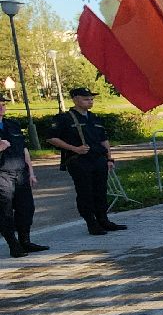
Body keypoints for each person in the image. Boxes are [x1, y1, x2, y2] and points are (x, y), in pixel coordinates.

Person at [46, 86, 126, 237]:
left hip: (98, 159)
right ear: (76, 100)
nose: (90, 102)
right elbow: (51, 138)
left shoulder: (94, 118)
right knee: (85, 192)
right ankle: (91, 223)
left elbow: (104, 140)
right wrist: (74, 148)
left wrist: (109, 158)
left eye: (91, 99)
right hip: (79, 161)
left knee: (100, 191)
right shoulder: (64, 118)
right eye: (86, 99)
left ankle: (103, 220)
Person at [0, 96, 45, 257]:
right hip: (2, 175)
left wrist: (31, 172)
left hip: (21, 173)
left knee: (26, 208)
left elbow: (24, 150)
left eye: (3, 104)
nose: (2, 108)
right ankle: (13, 245)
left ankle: (25, 241)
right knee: (5, 212)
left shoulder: (12, 125)